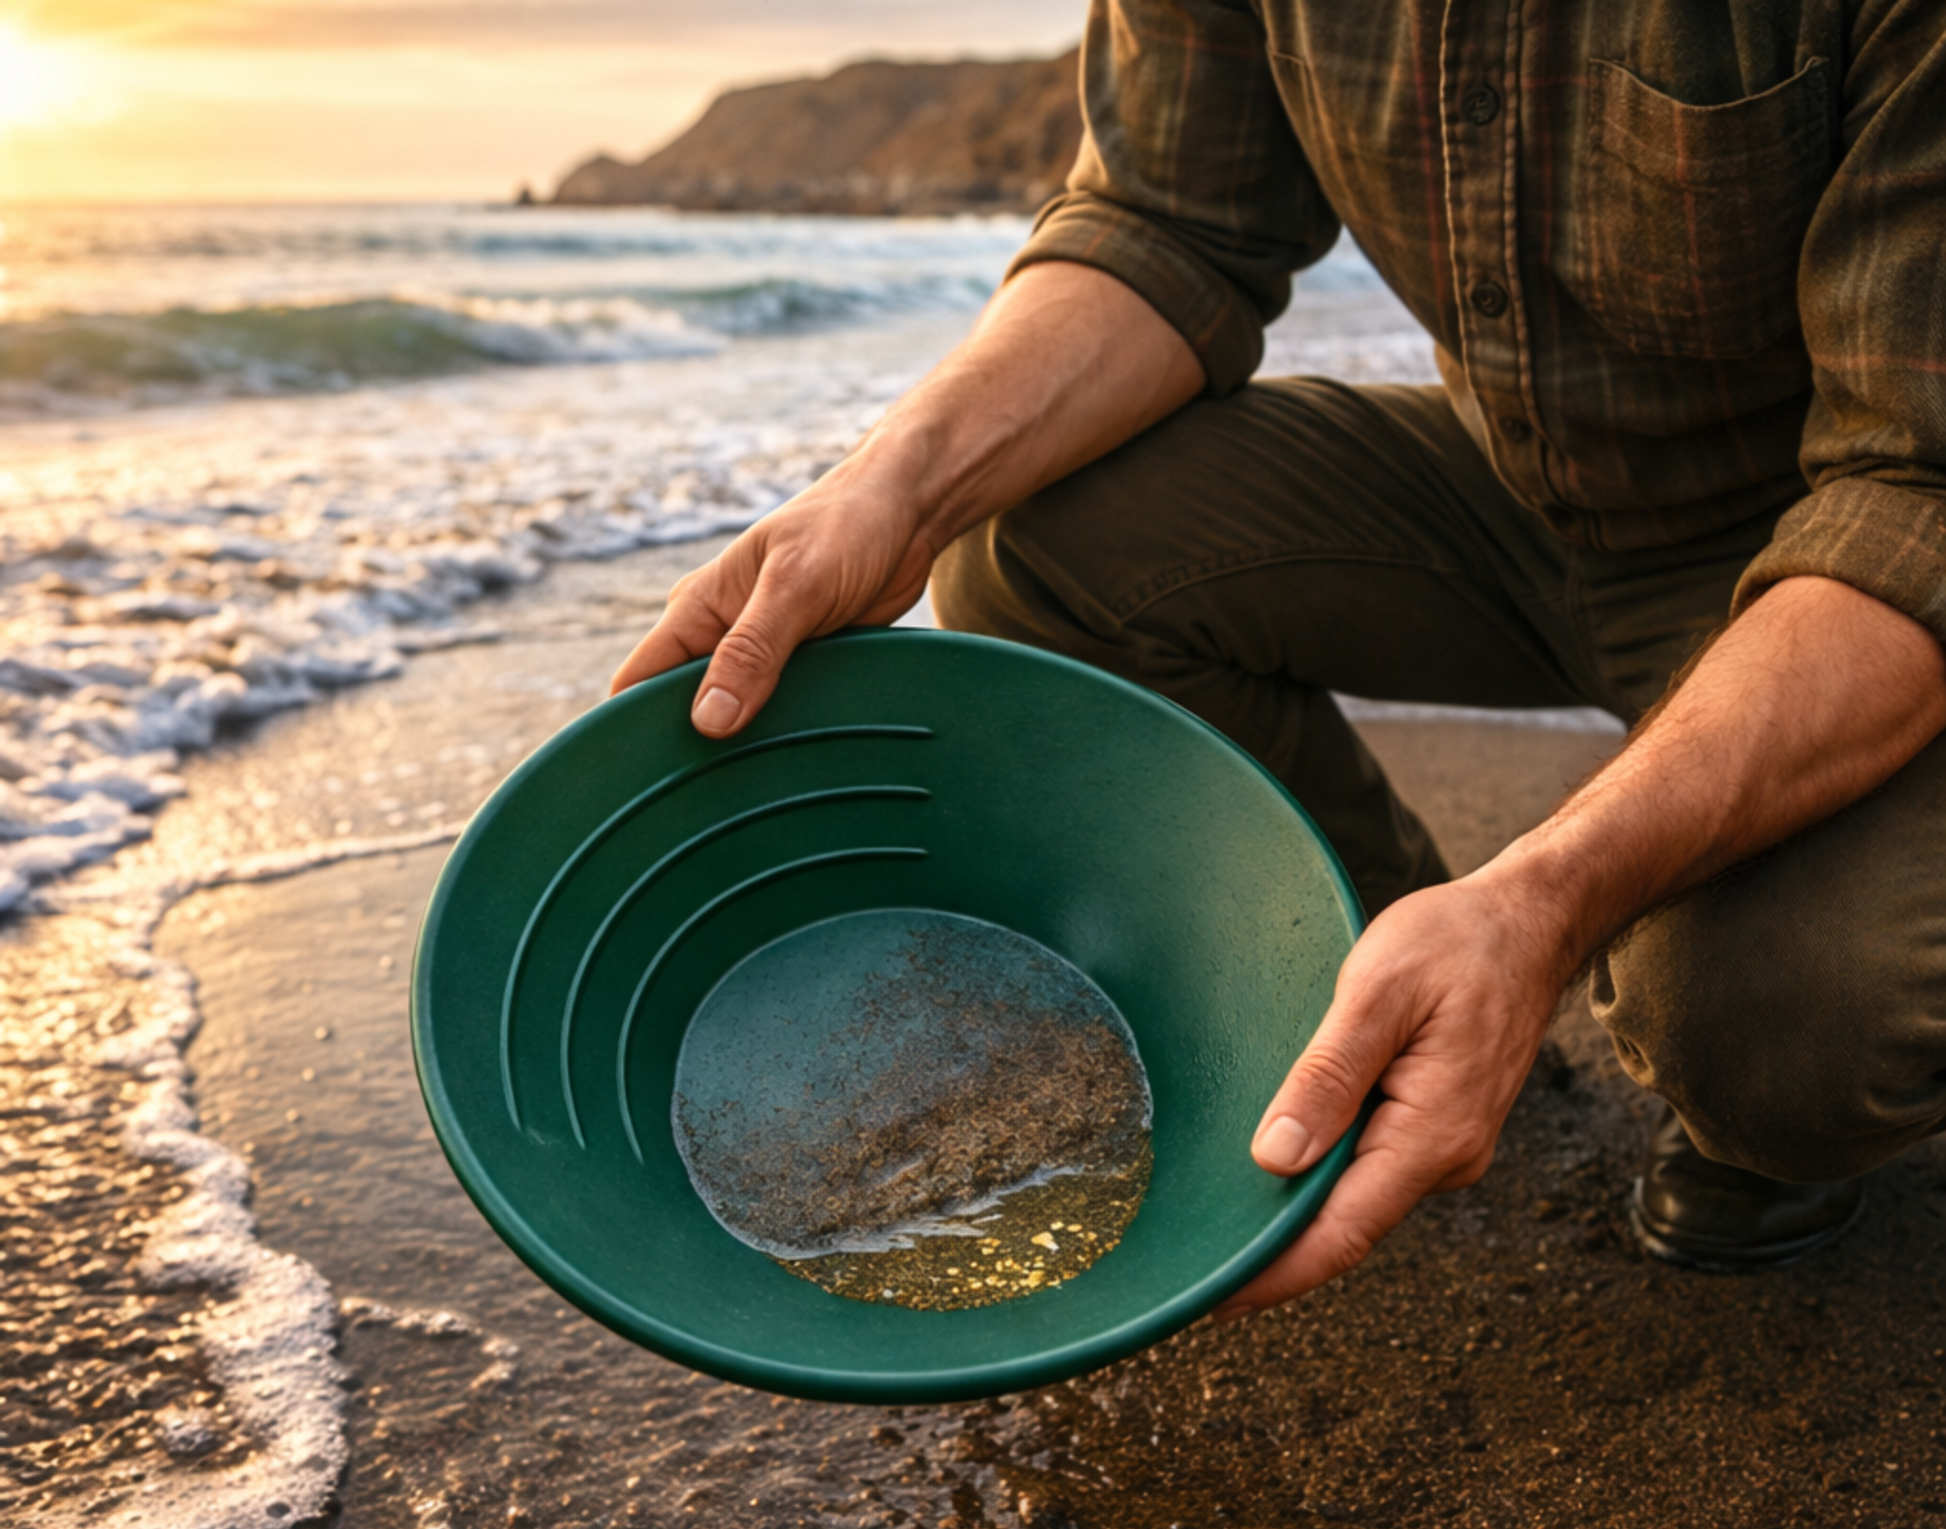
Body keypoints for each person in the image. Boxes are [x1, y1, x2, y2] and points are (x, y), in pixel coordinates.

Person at [612, 1, 1946, 1316]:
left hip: (1861, 553)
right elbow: (1167, 228)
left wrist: (1540, 899)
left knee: (1774, 1033)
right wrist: (885, 489)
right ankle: (1382, 990)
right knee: (1025, 547)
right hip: (1528, 491)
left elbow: (1912, 497)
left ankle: (1739, 1113)